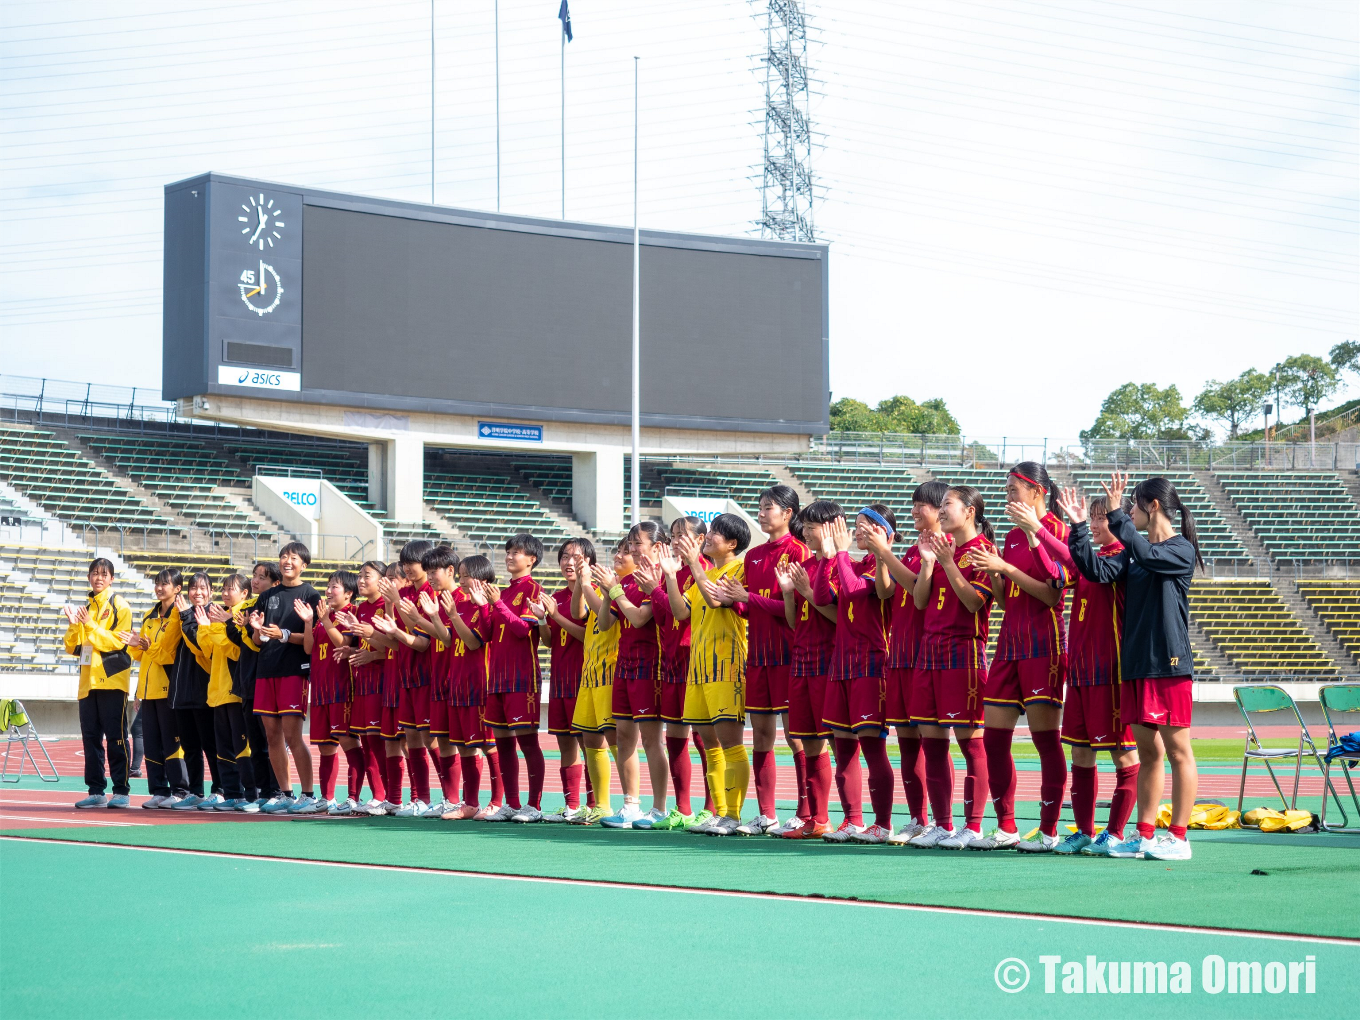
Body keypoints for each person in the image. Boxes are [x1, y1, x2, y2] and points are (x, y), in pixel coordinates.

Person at [1066, 473, 1201, 862]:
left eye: (1133, 507)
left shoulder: (1180, 549)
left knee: (1178, 751)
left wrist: (1114, 515)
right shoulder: (1134, 552)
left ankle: (1178, 837)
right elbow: (1097, 572)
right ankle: (1144, 836)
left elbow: (1145, 554)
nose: (1129, 513)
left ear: (1152, 506)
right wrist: (1079, 528)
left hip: (1169, 663)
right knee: (1149, 753)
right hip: (1137, 663)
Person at [961, 463, 1072, 852]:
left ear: (1037, 491)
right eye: (1006, 487)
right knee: (994, 740)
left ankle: (1048, 830)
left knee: (1046, 741)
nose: (1007, 494)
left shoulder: (1059, 533)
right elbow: (1008, 601)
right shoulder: (1008, 536)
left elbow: (1050, 595)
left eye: (1014, 488)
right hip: (1009, 645)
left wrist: (1004, 566)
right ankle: (1006, 828)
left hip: (1045, 646)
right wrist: (994, 574)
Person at [1024, 492, 1141, 856]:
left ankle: (1116, 832)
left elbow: (1082, 562)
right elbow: (1066, 563)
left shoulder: (1123, 558)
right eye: (1089, 517)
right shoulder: (1092, 557)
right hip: (1080, 671)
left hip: (1111, 672)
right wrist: (1035, 536)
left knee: (1124, 754)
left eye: (1099, 517)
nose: (1093, 523)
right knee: (1080, 752)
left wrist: (1041, 533)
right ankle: (1085, 831)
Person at [906, 486, 1001, 850]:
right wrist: (930, 562)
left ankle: (973, 826)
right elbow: (919, 601)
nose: (941, 510)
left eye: (948, 504)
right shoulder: (939, 548)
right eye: (941, 504)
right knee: (932, 742)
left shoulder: (984, 551)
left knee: (970, 741)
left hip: (963, 652)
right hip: (929, 651)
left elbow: (974, 603)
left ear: (971, 511)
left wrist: (945, 562)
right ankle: (942, 825)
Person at [863, 482, 949, 844]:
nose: (914, 511)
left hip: (925, 655)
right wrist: (884, 554)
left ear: (940, 509)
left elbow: (918, 595)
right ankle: (919, 818)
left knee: (933, 742)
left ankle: (944, 821)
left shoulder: (944, 547)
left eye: (921, 505)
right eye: (912, 505)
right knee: (908, 741)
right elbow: (884, 591)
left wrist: (886, 551)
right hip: (899, 655)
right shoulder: (912, 549)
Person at [809, 505, 896, 843]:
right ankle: (852, 820)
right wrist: (828, 560)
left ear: (883, 532)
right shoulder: (853, 563)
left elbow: (859, 590)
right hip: (841, 665)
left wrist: (840, 555)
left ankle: (883, 823)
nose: (855, 532)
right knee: (842, 746)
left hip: (870, 663)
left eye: (863, 526)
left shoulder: (881, 564)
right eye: (854, 526)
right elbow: (821, 597)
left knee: (872, 747)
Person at [731, 486, 811, 836]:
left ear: (788, 513)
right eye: (760, 508)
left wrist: (747, 597)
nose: (762, 513)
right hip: (758, 656)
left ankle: (806, 812)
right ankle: (766, 814)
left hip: (788, 655)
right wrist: (732, 601)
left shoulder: (799, 551)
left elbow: (794, 611)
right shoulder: (754, 556)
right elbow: (750, 608)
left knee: (798, 737)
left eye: (768, 508)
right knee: (761, 735)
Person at [665, 513, 750, 836]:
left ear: (732, 543)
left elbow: (716, 600)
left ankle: (734, 814)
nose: (709, 535)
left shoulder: (737, 570)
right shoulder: (704, 574)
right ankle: (719, 812)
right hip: (699, 669)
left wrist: (694, 564)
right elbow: (680, 612)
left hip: (726, 666)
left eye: (716, 533)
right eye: (710, 530)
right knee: (710, 744)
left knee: (730, 743)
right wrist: (672, 576)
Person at [592, 521, 669, 828]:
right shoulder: (627, 581)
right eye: (630, 544)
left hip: (649, 665)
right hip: (624, 664)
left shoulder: (658, 578)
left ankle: (660, 807)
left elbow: (639, 619)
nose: (633, 549)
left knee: (651, 739)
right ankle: (630, 806)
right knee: (624, 736)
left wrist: (613, 589)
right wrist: (610, 591)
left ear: (657, 547)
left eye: (639, 543)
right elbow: (605, 624)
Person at [640, 516, 714, 830]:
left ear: (701, 539)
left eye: (683, 535)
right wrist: (657, 585)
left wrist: (657, 588)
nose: (676, 541)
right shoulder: (673, 572)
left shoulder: (704, 570)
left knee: (705, 737)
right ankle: (681, 809)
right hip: (672, 658)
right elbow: (661, 617)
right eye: (673, 535)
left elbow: (681, 611)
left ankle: (713, 808)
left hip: (696, 657)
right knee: (675, 737)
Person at [776, 502, 841, 839]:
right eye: (805, 525)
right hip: (801, 659)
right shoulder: (804, 564)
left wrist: (806, 593)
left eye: (812, 526)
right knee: (809, 741)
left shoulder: (842, 566)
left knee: (832, 741)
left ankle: (844, 819)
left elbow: (839, 618)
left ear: (831, 527)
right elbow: (793, 621)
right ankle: (817, 819)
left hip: (827, 661)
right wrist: (790, 595)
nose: (805, 532)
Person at [249, 542, 323, 814]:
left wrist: (284, 635)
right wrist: (257, 630)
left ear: (304, 564)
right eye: (283, 557)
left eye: (293, 557)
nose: (287, 561)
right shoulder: (268, 596)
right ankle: (285, 793)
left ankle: (308, 794)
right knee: (272, 736)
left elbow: (314, 640)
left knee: (293, 736)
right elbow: (258, 641)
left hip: (294, 671)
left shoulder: (311, 595)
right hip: (266, 670)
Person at [481, 533, 547, 822]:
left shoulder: (533, 589)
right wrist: (484, 605)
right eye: (508, 552)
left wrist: (497, 605)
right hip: (496, 678)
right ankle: (512, 803)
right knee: (503, 742)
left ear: (531, 559)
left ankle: (533, 806)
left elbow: (523, 630)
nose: (510, 556)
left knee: (528, 742)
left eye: (516, 552)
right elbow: (485, 635)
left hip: (522, 678)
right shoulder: (502, 592)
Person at [530, 539, 592, 823]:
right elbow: (549, 642)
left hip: (585, 679)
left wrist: (556, 615)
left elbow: (586, 635)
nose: (569, 562)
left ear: (588, 562)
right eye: (564, 556)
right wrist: (544, 619)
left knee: (589, 744)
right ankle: (572, 806)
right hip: (560, 680)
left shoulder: (593, 596)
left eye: (576, 557)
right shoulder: (555, 596)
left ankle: (593, 805)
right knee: (565, 744)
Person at [64, 557, 134, 809]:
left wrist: (89, 625)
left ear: (112, 579)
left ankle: (121, 791)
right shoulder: (87, 608)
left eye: (104, 574)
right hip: (88, 684)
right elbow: (74, 647)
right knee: (90, 740)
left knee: (117, 739)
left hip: (112, 682)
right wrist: (74, 626)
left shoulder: (120, 606)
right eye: (94, 573)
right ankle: (96, 790)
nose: (98, 578)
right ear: (88, 577)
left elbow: (118, 642)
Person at [438, 554, 504, 820]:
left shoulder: (485, 605)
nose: (461, 580)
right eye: (461, 575)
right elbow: (447, 640)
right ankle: (471, 803)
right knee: (465, 744)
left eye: (465, 575)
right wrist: (434, 616)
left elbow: (474, 642)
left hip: (480, 683)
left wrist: (453, 616)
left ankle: (498, 802)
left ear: (481, 577)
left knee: (488, 743)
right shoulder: (460, 604)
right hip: (458, 682)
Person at [120, 568, 192, 809]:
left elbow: (167, 655)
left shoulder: (176, 617)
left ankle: (180, 790)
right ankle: (159, 790)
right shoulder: (151, 616)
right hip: (149, 690)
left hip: (168, 689)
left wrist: (147, 647)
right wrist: (135, 645)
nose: (160, 588)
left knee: (172, 742)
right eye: (157, 583)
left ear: (178, 588)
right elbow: (146, 655)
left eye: (165, 584)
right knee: (151, 742)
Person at [185, 572, 256, 811]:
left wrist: (218, 628)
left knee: (242, 746)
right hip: (217, 692)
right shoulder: (218, 615)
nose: (226, 593)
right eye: (223, 589)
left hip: (236, 693)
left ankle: (251, 794)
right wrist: (206, 628)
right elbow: (206, 650)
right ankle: (231, 794)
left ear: (245, 593)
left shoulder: (244, 615)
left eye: (231, 589)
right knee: (223, 747)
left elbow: (237, 651)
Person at [568, 540, 627, 825]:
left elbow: (604, 615)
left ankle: (631, 802)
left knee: (615, 739)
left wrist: (589, 583)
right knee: (590, 739)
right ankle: (601, 805)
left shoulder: (619, 585)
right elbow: (578, 612)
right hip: (590, 673)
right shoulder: (600, 582)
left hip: (610, 670)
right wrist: (581, 582)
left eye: (624, 551)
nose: (617, 556)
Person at [378, 540, 437, 818]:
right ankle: (422, 799)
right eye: (404, 564)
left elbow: (422, 642)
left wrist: (397, 608)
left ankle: (449, 797)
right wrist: (391, 603)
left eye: (410, 563)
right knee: (412, 736)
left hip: (426, 674)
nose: (406, 568)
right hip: (407, 673)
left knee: (430, 737)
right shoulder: (408, 594)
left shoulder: (428, 593)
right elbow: (393, 634)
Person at [403, 545, 463, 816]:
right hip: (439, 677)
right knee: (443, 739)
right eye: (427, 571)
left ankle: (483, 801)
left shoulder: (460, 598)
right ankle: (450, 799)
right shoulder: (433, 599)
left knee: (474, 743)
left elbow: (448, 637)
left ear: (451, 571)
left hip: (461, 679)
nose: (429, 576)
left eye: (433, 571)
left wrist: (419, 618)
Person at [298, 570, 360, 814]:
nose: (329, 590)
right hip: (322, 688)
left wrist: (324, 619)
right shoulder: (324, 615)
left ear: (348, 593)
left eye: (335, 586)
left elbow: (343, 644)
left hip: (343, 687)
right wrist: (308, 621)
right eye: (328, 585)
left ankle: (354, 797)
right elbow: (308, 648)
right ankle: (328, 798)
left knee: (348, 741)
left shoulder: (352, 614)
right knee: (325, 746)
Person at [331, 561, 390, 814]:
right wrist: (353, 650)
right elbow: (366, 644)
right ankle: (379, 796)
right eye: (359, 576)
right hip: (362, 684)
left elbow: (395, 646)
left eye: (367, 576)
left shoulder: (386, 606)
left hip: (381, 682)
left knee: (379, 741)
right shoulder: (362, 608)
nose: (361, 581)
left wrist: (373, 656)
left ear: (382, 580)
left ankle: (386, 796)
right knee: (366, 741)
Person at [225, 562, 282, 804]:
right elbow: (239, 641)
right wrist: (232, 623)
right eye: (255, 576)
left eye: (262, 577)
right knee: (256, 743)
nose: (256, 581)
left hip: (268, 681)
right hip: (248, 682)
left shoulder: (275, 608)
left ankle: (278, 791)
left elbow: (260, 644)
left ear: (275, 583)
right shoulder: (248, 608)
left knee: (271, 740)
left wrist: (245, 627)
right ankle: (262, 793)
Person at [170, 571, 221, 809]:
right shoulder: (182, 614)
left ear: (211, 591)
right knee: (190, 746)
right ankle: (195, 791)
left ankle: (220, 789)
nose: (197, 593)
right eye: (193, 588)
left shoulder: (214, 614)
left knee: (211, 745)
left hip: (205, 692)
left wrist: (186, 619)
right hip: (181, 692)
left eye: (202, 588)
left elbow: (202, 646)